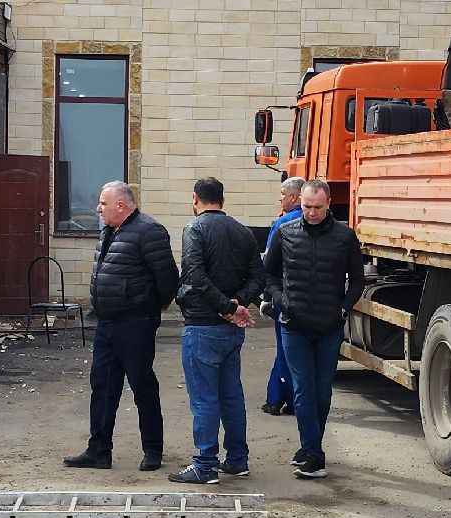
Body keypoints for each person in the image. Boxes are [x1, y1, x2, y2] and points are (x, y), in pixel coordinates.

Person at [64, 181, 179, 471]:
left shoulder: (149, 231)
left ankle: (153, 449)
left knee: (142, 387)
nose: (98, 208)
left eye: (103, 203)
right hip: (106, 323)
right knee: (102, 387)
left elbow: (168, 281)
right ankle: (98, 451)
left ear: (121, 205)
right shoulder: (109, 230)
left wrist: (147, 308)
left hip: (135, 324)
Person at [261, 181, 362, 479]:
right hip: (295, 326)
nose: (312, 212)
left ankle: (309, 447)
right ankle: (315, 455)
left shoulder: (345, 237)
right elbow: (269, 273)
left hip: (330, 327)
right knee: (303, 389)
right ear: (300, 202)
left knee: (321, 391)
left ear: (329, 203)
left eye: (317, 207)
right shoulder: (285, 232)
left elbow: (357, 280)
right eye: (306, 206)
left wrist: (343, 308)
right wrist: (280, 301)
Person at [168, 177, 264, 485]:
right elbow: (257, 277)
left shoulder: (194, 229)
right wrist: (238, 304)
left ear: (195, 198)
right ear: (222, 199)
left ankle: (205, 464)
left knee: (205, 398)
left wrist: (226, 306)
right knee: (231, 395)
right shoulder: (243, 232)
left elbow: (195, 275)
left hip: (203, 325)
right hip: (230, 330)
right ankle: (237, 459)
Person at [259, 177, 307, 417]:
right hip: (314, 300)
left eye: (282, 193)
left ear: (294, 197)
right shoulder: (326, 225)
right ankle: (300, 401)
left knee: (285, 349)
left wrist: (267, 297)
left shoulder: (283, 224)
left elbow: (270, 263)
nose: (280, 198)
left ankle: (277, 399)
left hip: (286, 297)